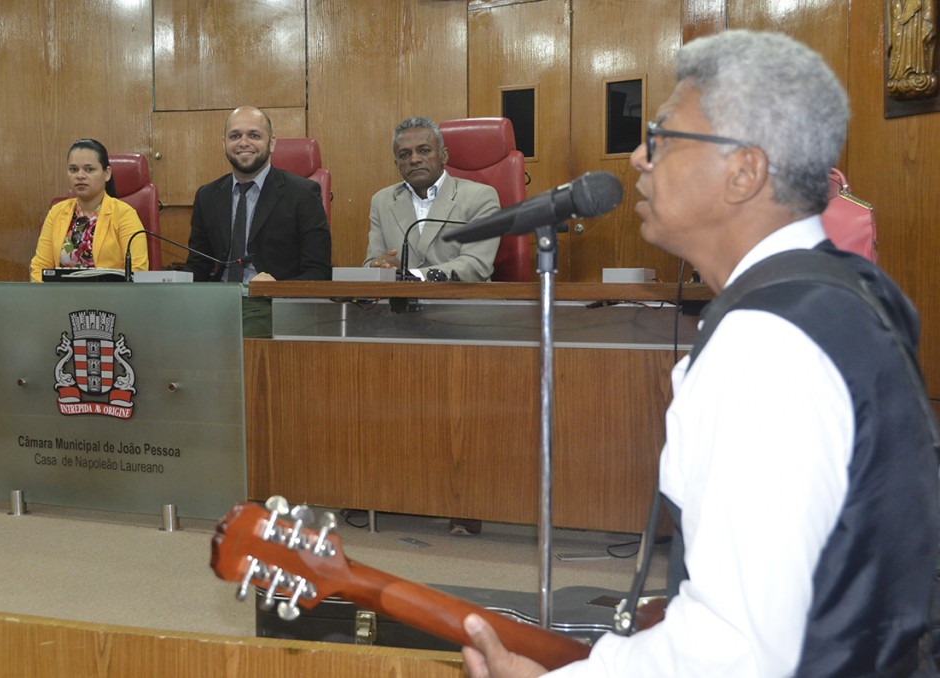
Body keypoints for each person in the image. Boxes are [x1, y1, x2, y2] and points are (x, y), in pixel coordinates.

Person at [462, 30, 939, 677]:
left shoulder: (766, 345)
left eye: (660, 139)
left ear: (744, 171)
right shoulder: (839, 290)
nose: (636, 158)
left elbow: (737, 649)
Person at [185, 106, 331, 335]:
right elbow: (198, 266)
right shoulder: (207, 196)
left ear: (272, 143)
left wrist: (278, 288)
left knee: (238, 334)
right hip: (216, 303)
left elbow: (319, 272)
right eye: (235, 136)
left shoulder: (302, 194)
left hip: (272, 304)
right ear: (223, 143)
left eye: (254, 135)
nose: (244, 142)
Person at [364, 117, 501, 282]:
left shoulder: (480, 197)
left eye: (424, 151)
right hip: (399, 305)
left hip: (460, 303)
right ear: (397, 164)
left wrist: (409, 276)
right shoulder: (382, 201)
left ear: (443, 156)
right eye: (404, 154)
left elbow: (476, 265)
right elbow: (371, 263)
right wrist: (381, 266)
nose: (414, 160)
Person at [30, 139, 148, 281]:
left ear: (107, 173)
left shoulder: (124, 215)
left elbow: (138, 270)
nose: (80, 175)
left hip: (110, 300)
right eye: (73, 169)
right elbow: (39, 267)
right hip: (61, 300)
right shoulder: (57, 213)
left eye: (89, 169)